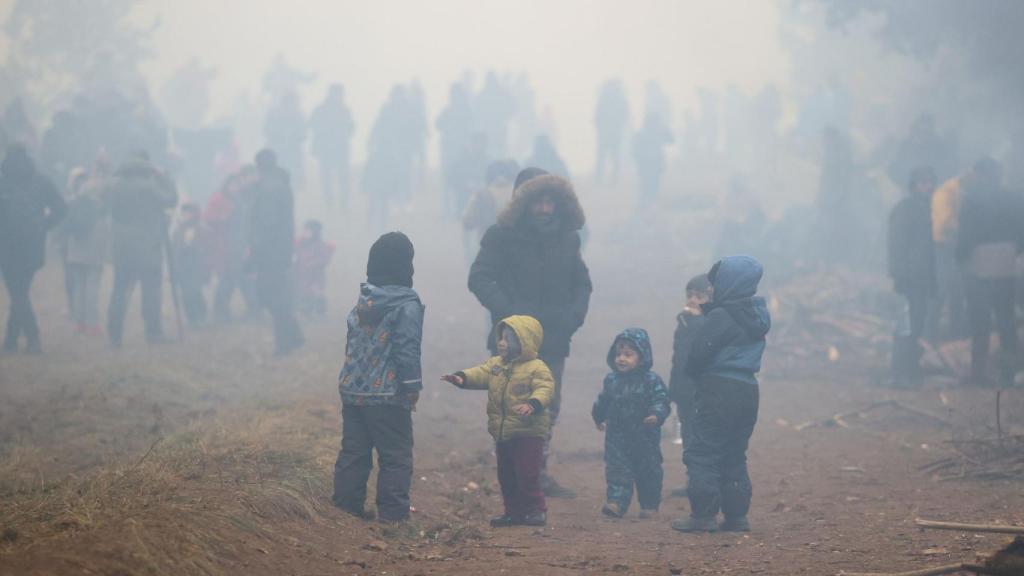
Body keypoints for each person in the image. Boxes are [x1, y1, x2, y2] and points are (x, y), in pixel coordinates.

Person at [468, 168, 593, 498]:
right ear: (522, 201)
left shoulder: (568, 238)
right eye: (538, 201)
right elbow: (479, 277)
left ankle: (536, 475)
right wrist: (509, 315)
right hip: (510, 343)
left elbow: (582, 282)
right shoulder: (501, 236)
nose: (545, 209)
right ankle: (515, 479)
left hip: (554, 339)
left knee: (546, 407)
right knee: (510, 409)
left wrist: (573, 317)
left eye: (551, 201)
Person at [672, 255, 770, 534]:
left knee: (704, 451)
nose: (712, 289)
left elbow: (699, 354)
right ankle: (737, 517)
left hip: (719, 389)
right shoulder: (756, 315)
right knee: (734, 453)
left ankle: (703, 516)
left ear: (729, 283)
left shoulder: (721, 316)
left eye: (717, 283)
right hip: (748, 389)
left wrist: (694, 374)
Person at [333, 232, 424, 523]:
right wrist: (412, 386)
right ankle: (394, 518)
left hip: (353, 391)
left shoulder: (363, 303)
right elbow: (406, 348)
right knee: (396, 455)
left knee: (354, 452)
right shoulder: (406, 305)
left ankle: (346, 510)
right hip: (388, 394)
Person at [442, 315, 554, 527]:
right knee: (507, 475)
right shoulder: (496, 366)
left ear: (525, 342)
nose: (502, 343)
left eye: (509, 339)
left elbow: (545, 388)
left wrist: (533, 403)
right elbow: (480, 373)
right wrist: (462, 378)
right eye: (501, 337)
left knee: (527, 473)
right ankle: (513, 512)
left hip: (529, 433)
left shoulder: (537, 367)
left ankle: (535, 510)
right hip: (503, 433)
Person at [956, 158, 1023, 386]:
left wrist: (960, 258)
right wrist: (1015, 252)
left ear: (980, 174)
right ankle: (1009, 373)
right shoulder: (1013, 197)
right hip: (1007, 258)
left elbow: (966, 233)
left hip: (979, 260)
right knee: (1006, 319)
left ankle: (978, 374)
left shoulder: (972, 199)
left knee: (979, 320)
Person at [592, 328, 670, 519]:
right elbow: (603, 400)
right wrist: (598, 417)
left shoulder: (651, 380)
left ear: (642, 357)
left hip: (645, 435)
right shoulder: (611, 380)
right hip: (617, 436)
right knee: (617, 469)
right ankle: (617, 503)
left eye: (628, 354)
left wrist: (656, 415)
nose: (621, 359)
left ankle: (649, 505)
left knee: (649, 470)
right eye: (618, 354)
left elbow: (661, 400)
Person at [106, 150, 178, 347]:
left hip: (122, 246)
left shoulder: (115, 186)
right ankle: (153, 332)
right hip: (148, 244)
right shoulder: (149, 186)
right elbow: (171, 199)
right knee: (151, 291)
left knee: (119, 290)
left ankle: (114, 335)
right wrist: (165, 178)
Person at [0, 145, 66, 353]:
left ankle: (30, 338)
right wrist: (44, 226)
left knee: (17, 292)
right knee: (21, 291)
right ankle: (12, 340)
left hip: (6, 244)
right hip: (32, 244)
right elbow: (61, 208)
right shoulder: (41, 180)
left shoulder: (3, 180)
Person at [247, 149, 304, 355]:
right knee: (276, 294)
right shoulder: (278, 184)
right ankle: (292, 336)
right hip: (280, 250)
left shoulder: (269, 189)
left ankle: (286, 341)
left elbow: (267, 224)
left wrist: (255, 250)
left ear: (259, 166)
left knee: (271, 295)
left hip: (271, 252)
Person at [887, 166, 937, 386]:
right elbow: (896, 245)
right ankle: (900, 372)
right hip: (909, 278)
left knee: (916, 325)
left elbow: (929, 249)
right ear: (914, 185)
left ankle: (911, 370)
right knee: (905, 327)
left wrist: (932, 278)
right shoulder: (905, 209)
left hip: (922, 277)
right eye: (924, 182)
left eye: (930, 182)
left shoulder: (927, 209)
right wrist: (899, 274)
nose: (928, 186)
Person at [668, 273, 713, 492]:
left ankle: (705, 482)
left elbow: (703, 351)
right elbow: (678, 359)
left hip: (704, 392)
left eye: (699, 296)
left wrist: (695, 323)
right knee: (688, 436)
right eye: (689, 295)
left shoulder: (711, 323)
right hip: (685, 390)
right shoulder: (684, 322)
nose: (692, 300)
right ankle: (693, 480)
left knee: (703, 437)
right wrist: (673, 389)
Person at [205, 166, 258, 322]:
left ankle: (252, 310)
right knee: (230, 278)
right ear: (227, 185)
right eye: (233, 184)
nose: (235, 187)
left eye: (238, 184)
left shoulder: (242, 199)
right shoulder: (220, 198)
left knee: (242, 278)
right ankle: (222, 312)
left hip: (240, 244)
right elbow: (209, 218)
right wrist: (223, 218)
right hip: (226, 245)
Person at [65, 162, 112, 336]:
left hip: (76, 241)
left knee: (78, 284)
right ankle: (92, 324)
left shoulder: (79, 189)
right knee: (92, 284)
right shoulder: (105, 188)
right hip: (95, 239)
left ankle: (79, 323)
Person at [462, 159, 517, 265]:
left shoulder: (482, 195)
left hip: (486, 250)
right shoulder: (518, 194)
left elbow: (467, 221)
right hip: (514, 251)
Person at [309, 84, 355, 208]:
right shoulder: (321, 109)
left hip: (340, 148)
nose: (339, 97)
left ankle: (343, 203)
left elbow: (350, 127)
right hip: (326, 149)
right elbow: (312, 124)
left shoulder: (344, 110)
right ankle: (330, 203)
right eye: (338, 94)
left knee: (342, 178)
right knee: (327, 178)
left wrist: (344, 132)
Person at [172, 202, 209, 327]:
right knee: (186, 294)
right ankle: (192, 318)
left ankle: (201, 317)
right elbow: (175, 248)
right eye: (184, 213)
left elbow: (205, 249)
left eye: (189, 213)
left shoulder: (202, 229)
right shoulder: (178, 230)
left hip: (196, 266)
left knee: (195, 292)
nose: (186, 215)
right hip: (183, 267)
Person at [293, 219, 335, 317]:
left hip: (316, 276)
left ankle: (320, 313)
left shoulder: (319, 245)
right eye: (304, 230)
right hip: (302, 274)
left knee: (317, 293)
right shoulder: (301, 243)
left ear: (315, 232)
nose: (304, 233)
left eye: (307, 231)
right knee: (303, 292)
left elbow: (324, 259)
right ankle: (305, 310)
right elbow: (295, 253)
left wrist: (312, 263)